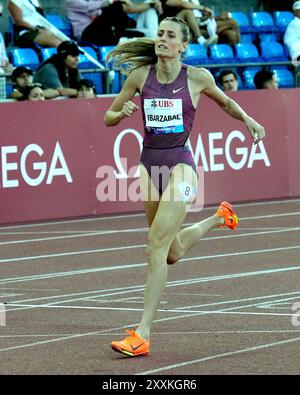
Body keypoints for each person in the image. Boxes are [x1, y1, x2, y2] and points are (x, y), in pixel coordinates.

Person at [104, 17, 265, 357]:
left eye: (170, 35)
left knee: (154, 246)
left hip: (181, 166)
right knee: (171, 252)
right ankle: (220, 217)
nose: (162, 38)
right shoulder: (139, 77)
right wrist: (122, 113)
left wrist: (249, 119)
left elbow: (226, 103)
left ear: (183, 46)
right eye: (160, 33)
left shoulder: (197, 77)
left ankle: (143, 333)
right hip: (149, 165)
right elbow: (109, 116)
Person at [66, 0, 162, 45]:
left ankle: (153, 36)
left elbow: (130, 7)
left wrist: (152, 4)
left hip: (107, 30)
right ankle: (149, 36)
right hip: (86, 34)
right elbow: (90, 6)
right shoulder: (71, 1)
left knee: (149, 8)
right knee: (115, 6)